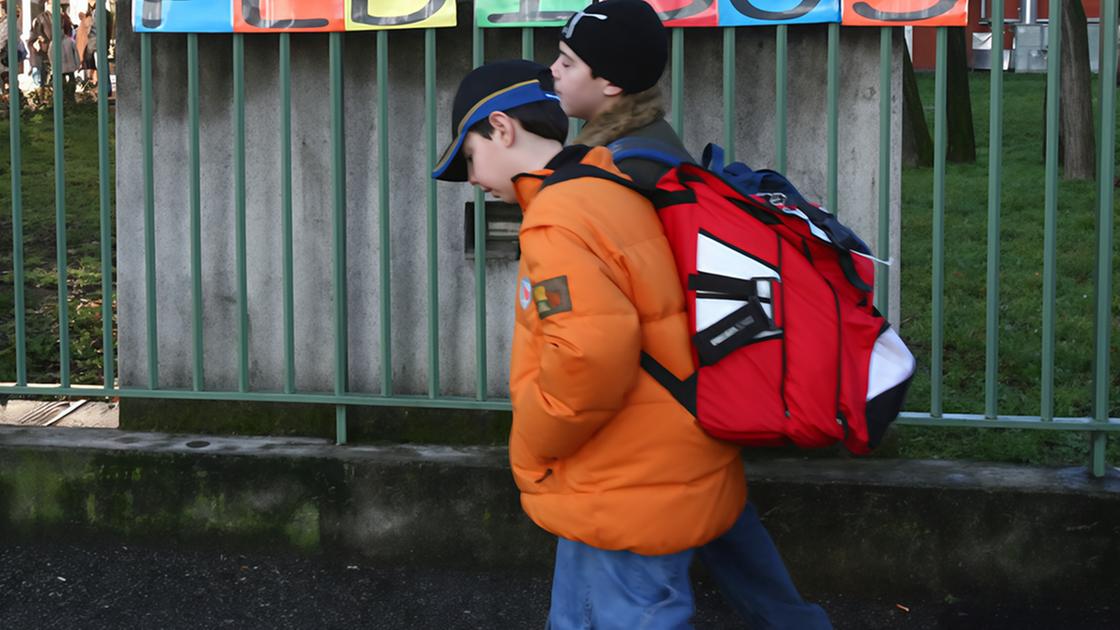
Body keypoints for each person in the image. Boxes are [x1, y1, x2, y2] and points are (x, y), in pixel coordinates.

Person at [432, 59, 747, 628]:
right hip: (639, 465)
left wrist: (533, 447)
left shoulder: (558, 218)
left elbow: (587, 357)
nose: (474, 180)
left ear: (502, 129)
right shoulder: (605, 181)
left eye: (471, 158)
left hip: (622, 478)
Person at [548, 1, 833, 628]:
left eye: (568, 63)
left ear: (610, 84)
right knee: (727, 526)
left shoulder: (622, 171)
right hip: (698, 398)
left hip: (659, 412)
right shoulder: (657, 150)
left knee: (645, 586)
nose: (554, 72)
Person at [47, 17, 80, 101]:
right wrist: (77, 64)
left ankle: (64, 98)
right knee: (70, 82)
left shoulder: (53, 43)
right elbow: (76, 53)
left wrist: (53, 66)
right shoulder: (70, 41)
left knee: (63, 83)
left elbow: (50, 55)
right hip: (70, 66)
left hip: (60, 67)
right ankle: (70, 97)